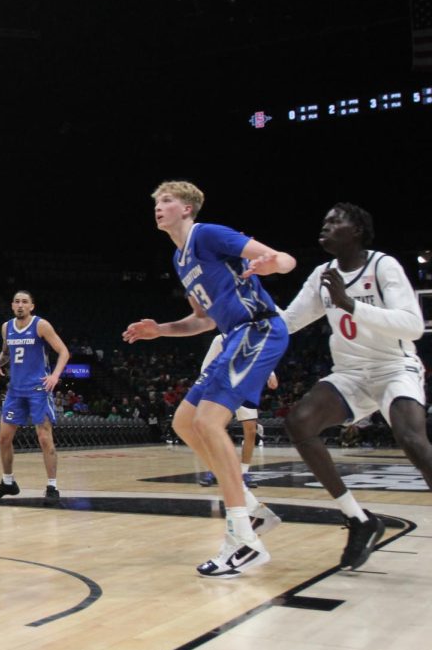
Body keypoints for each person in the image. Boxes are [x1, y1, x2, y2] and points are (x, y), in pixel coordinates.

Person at [123, 180, 291, 578]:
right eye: (156, 201)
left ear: (187, 208)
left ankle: (242, 539)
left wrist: (273, 263)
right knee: (184, 422)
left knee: (208, 422)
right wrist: (160, 330)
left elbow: (283, 259)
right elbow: (203, 319)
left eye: (166, 200)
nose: (158, 207)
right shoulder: (179, 258)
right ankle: (252, 511)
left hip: (259, 328)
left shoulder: (209, 234)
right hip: (232, 335)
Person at [278, 203, 430, 570]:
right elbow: (288, 322)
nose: (325, 225)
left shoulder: (383, 266)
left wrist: (350, 305)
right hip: (350, 373)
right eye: (325, 220)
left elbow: (412, 326)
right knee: (299, 422)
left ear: (358, 230)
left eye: (335, 221)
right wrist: (236, 323)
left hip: (395, 366)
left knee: (410, 438)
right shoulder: (322, 274)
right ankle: (359, 519)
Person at [0, 291, 71, 502]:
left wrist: (55, 376)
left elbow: (64, 352)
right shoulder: (7, 327)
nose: (20, 305)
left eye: (25, 302)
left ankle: (52, 487)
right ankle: (8, 482)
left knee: (44, 437)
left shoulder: (41, 325)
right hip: (15, 390)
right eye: (16, 301)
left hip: (38, 389)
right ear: (12, 306)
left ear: (32, 306)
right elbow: (6, 352)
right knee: (3, 438)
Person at [196, 334, 277, 489]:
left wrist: (271, 374)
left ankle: (244, 472)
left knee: (251, 430)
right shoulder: (219, 339)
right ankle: (214, 469)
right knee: (216, 429)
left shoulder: (253, 338)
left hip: (245, 388)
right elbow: (205, 367)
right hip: (222, 389)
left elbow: (263, 358)